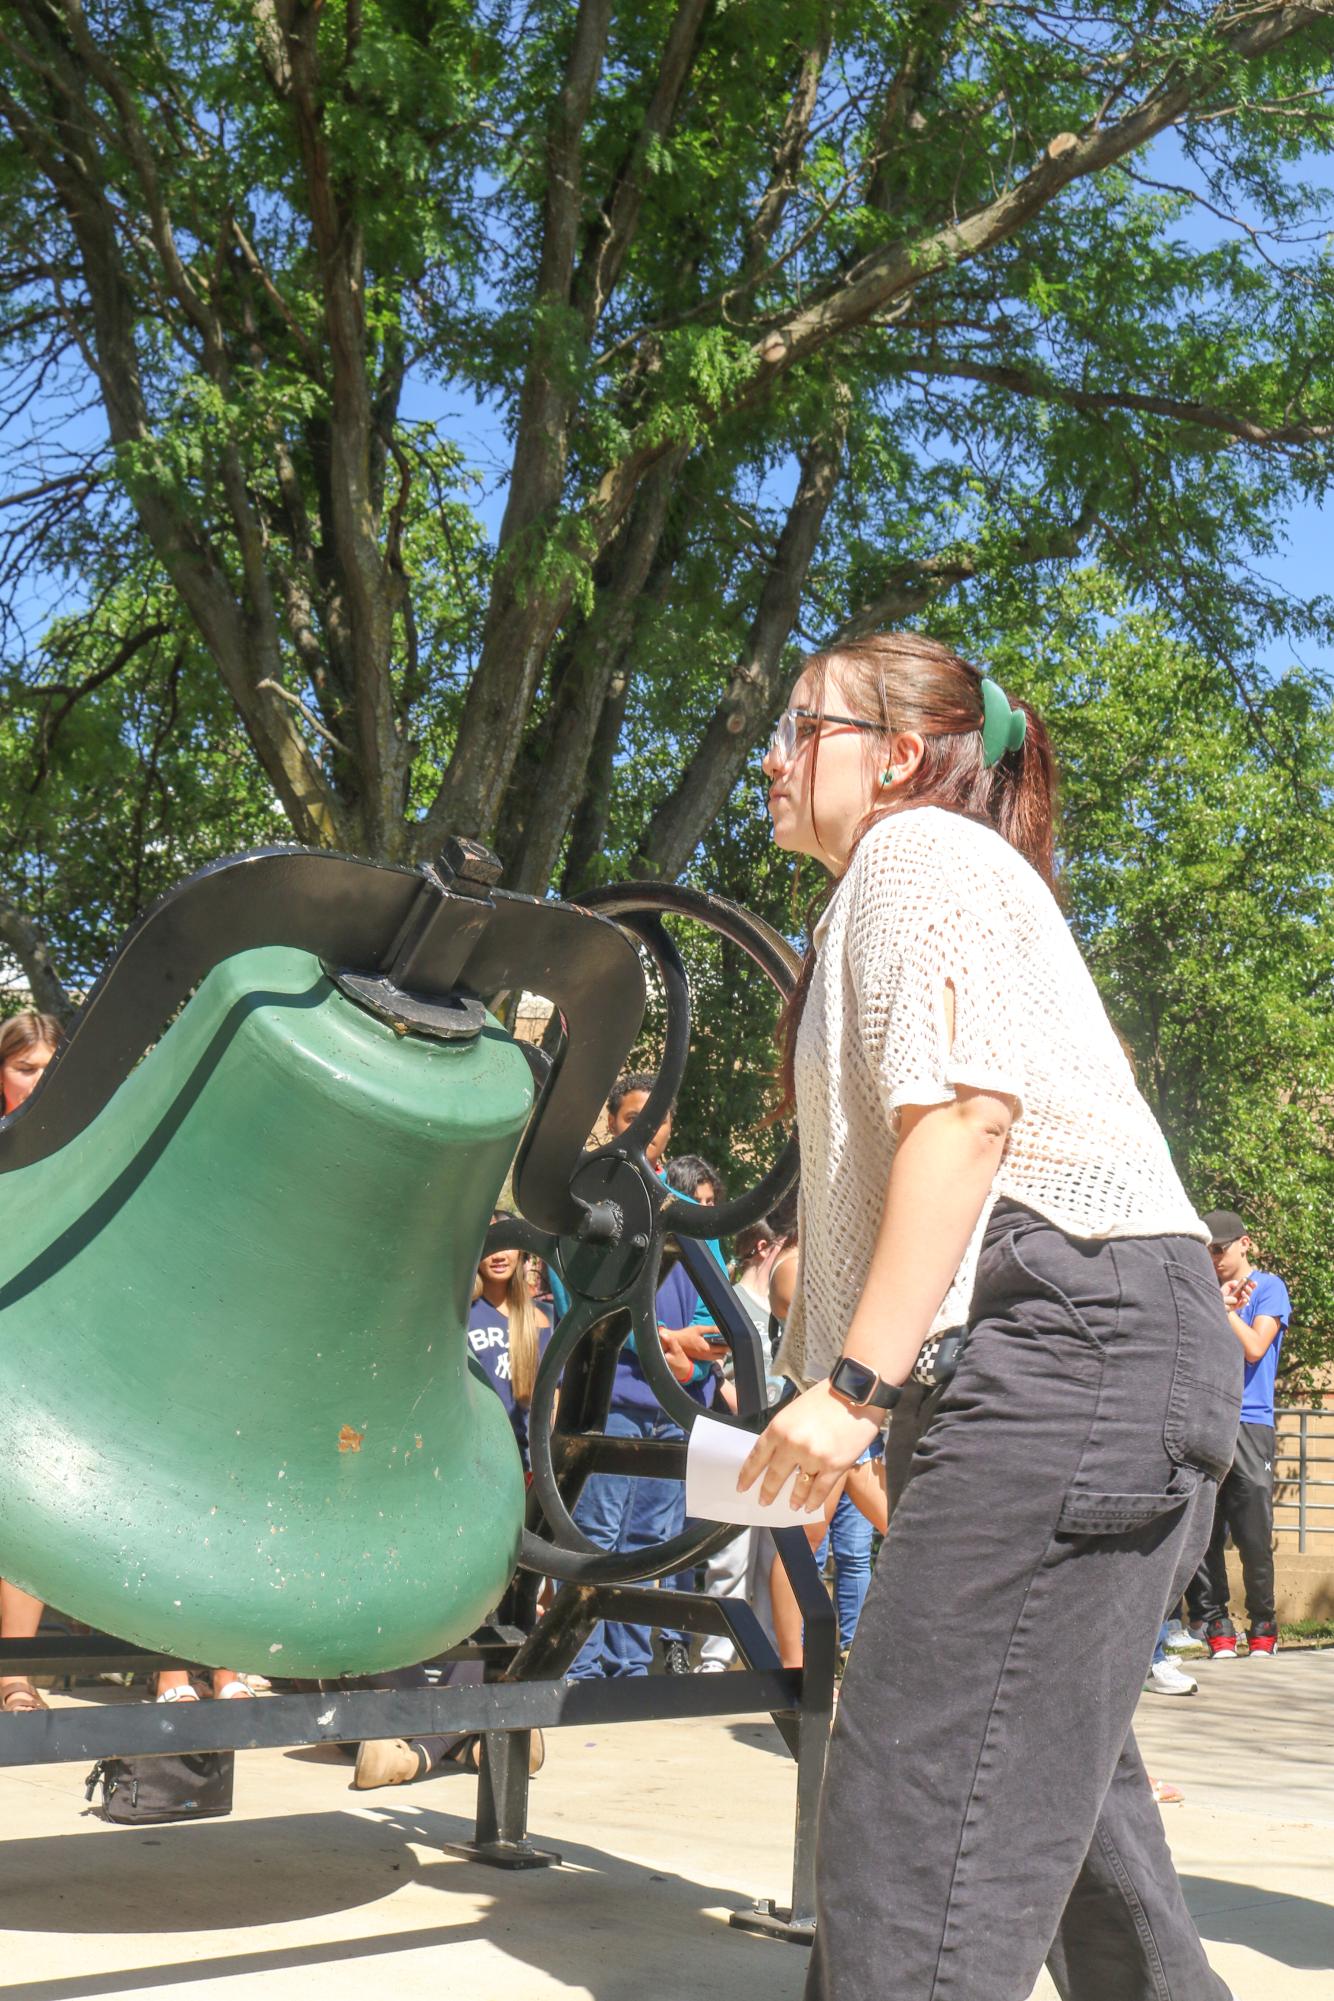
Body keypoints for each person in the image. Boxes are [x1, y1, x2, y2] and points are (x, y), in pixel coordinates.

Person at [737, 631, 1241, 2001]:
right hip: (1079, 1352)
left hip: (1070, 1340)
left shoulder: (915, 856)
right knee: (1057, 1810)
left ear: (894, 756)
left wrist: (848, 1389)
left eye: (797, 730)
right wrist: (893, 1427)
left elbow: (965, 1121)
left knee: (913, 1823)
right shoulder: (914, 883)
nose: (769, 762)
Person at [1185, 1208, 1291, 1661]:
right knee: (1203, 1530)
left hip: (1251, 1421)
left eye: (1220, 1249)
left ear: (1243, 1243)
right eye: (1206, 1251)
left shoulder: (1269, 1288)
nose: (1213, 1259)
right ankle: (1216, 1627)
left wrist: (1221, 1310)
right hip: (1207, 1414)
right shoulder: (1202, 1289)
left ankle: (1263, 1626)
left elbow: (1253, 1347)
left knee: (1252, 1532)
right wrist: (1212, 1301)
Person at [0, 1014, 62, 1715]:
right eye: (26, 1066)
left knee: (25, 1518)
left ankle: (14, 1676)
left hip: (41, 1357)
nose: (40, 1081)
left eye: (51, 1067)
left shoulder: (87, 1144)